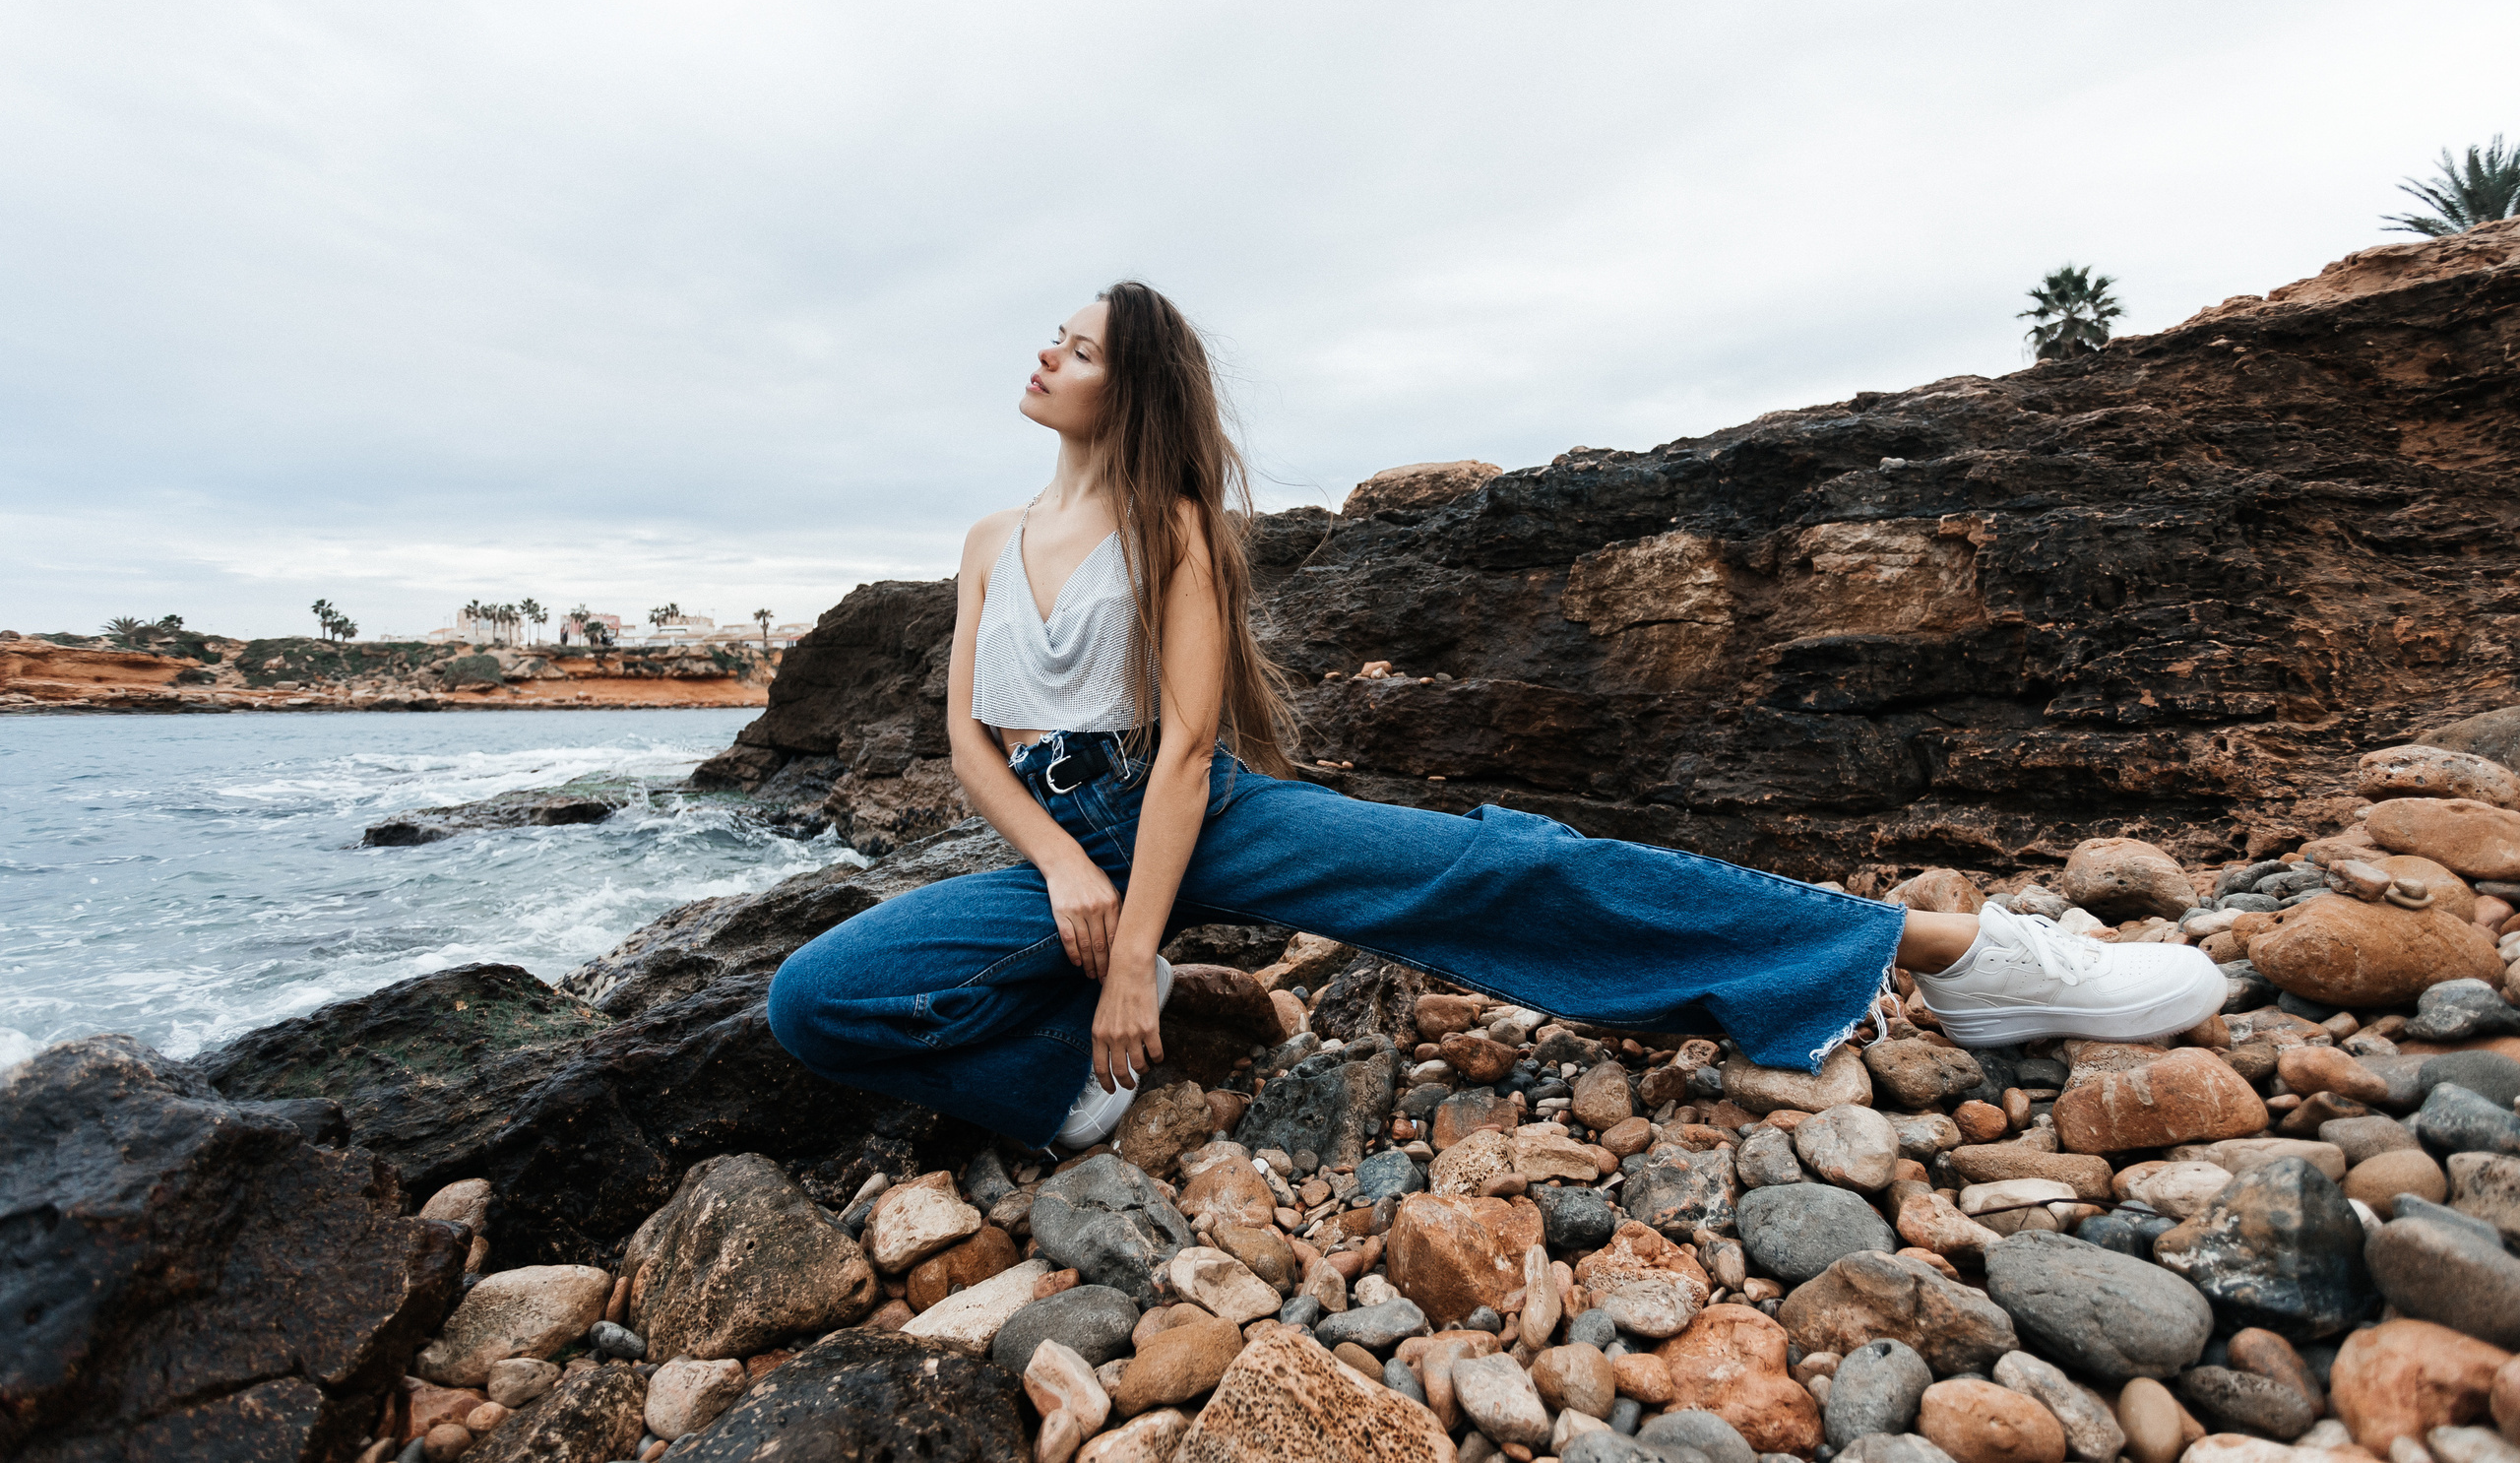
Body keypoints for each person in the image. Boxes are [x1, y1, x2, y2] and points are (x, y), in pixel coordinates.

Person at [766, 283, 2228, 1153]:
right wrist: (1069, 872)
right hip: (1064, 844)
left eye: (1077, 348)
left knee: (1508, 872)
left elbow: (1194, 751)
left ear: (1131, 387)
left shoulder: (1179, 527)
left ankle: (1964, 954)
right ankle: (1060, 1093)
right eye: (1052, 337)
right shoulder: (981, 542)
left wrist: (1137, 951)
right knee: (812, 1000)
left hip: (1204, 811)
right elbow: (972, 745)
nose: (1045, 357)